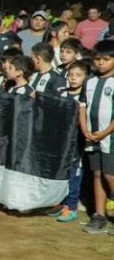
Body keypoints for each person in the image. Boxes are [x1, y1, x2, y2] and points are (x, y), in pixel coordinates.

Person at [79, 41, 114, 235]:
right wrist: (84, 128)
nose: (101, 63)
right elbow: (82, 106)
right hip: (92, 136)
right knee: (98, 174)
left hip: (110, 137)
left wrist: (106, 132)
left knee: (110, 175)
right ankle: (99, 216)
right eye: (98, 59)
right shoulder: (90, 81)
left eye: (106, 59)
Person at [50, 60, 90, 223]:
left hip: (77, 142)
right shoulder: (61, 93)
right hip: (60, 141)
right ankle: (59, 202)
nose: (73, 78)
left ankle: (72, 206)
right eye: (71, 75)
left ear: (85, 77)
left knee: (74, 173)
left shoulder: (86, 95)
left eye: (78, 75)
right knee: (60, 172)